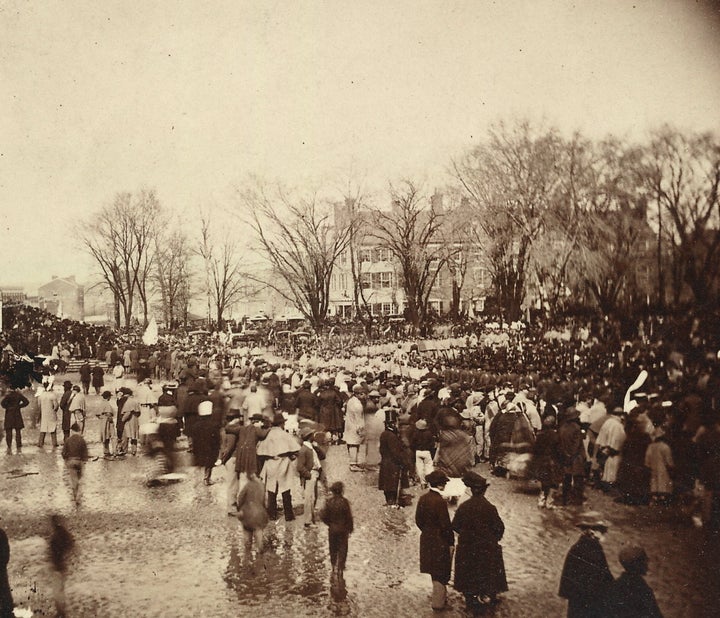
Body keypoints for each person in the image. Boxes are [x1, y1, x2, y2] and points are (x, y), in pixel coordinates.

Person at [451, 471, 508, 614]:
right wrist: (493, 539)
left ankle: (471, 602)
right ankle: (488, 600)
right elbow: (500, 528)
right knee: (487, 575)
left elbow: (455, 526)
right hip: (487, 549)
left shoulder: (464, 507)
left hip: (467, 549)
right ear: (484, 490)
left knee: (469, 578)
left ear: (471, 489)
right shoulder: (490, 507)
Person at [558, 511, 614, 617]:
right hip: (589, 604)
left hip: (577, 603)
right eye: (601, 530)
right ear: (591, 532)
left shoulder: (577, 548)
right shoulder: (593, 550)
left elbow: (566, 580)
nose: (604, 533)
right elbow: (603, 577)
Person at [415, 470, 454, 611]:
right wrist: (451, 542)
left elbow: (418, 520)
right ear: (441, 485)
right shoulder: (440, 502)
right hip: (440, 541)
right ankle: (438, 604)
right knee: (442, 572)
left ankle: (439, 599)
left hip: (426, 539)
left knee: (433, 569)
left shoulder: (423, 498)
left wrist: (427, 531)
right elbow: (446, 526)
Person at [256, 413, 300, 521]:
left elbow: (260, 452)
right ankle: (289, 514)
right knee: (285, 489)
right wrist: (291, 456)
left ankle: (272, 514)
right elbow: (295, 449)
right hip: (283, 462)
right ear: (281, 423)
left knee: (271, 489)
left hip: (270, 462)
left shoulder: (268, 434)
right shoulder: (284, 434)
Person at [605, 545, 663, 617]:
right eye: (644, 560)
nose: (647, 562)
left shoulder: (616, 585)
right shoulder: (641, 588)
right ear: (637, 564)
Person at [319, 481, 354, 581]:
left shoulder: (329, 502)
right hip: (343, 530)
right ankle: (341, 568)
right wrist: (350, 528)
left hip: (333, 529)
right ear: (342, 491)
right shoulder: (345, 502)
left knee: (333, 548)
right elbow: (349, 517)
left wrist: (329, 524)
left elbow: (323, 516)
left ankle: (334, 565)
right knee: (343, 548)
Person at [378, 411, 412, 506]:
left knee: (387, 485)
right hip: (393, 464)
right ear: (392, 423)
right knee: (393, 484)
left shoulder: (384, 434)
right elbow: (396, 453)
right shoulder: (392, 436)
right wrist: (403, 462)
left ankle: (390, 501)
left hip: (385, 462)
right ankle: (392, 502)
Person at [236, 472, 269, 555]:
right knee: (258, 532)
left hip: (248, 514)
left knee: (247, 534)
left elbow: (240, 498)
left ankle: (248, 554)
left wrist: (240, 509)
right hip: (260, 514)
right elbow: (265, 501)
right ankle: (260, 552)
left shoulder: (248, 485)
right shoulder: (262, 485)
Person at [48, 514, 74, 618]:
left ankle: (61, 613)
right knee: (61, 590)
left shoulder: (55, 536)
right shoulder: (64, 533)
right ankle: (62, 612)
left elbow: (53, 553)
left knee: (57, 591)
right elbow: (71, 544)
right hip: (63, 566)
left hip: (57, 566)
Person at [296, 425, 322, 527]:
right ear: (309, 436)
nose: (314, 436)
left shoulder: (310, 447)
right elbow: (299, 467)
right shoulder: (304, 450)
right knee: (309, 499)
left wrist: (316, 446)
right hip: (310, 475)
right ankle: (308, 521)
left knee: (313, 497)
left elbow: (322, 455)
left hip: (314, 474)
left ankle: (311, 519)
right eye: (312, 434)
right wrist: (309, 475)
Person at [192, 400, 221, 485]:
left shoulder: (196, 425)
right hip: (210, 447)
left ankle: (198, 478)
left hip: (199, 446)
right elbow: (217, 438)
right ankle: (207, 478)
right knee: (209, 463)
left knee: (201, 463)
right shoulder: (214, 424)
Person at [61, 422, 89, 507]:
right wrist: (84, 461)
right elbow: (85, 453)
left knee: (73, 480)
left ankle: (75, 495)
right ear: (79, 430)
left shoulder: (68, 440)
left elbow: (63, 452)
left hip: (71, 461)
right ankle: (78, 496)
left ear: (72, 430)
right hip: (79, 461)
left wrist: (66, 460)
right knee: (79, 479)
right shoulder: (82, 440)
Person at [1, 386, 29, 454]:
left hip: (9, 415)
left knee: (9, 432)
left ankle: (9, 447)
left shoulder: (8, 396)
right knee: (18, 431)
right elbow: (26, 402)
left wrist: (8, 407)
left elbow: (2, 404)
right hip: (17, 414)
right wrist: (19, 406)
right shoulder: (18, 395)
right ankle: (18, 447)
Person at [37, 381, 60, 448]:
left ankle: (40, 443)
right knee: (52, 429)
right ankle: (54, 443)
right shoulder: (52, 395)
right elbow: (56, 406)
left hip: (43, 414)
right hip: (51, 414)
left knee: (43, 429)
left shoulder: (41, 396)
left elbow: (39, 407)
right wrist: (55, 411)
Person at [0, 526, 13, 618]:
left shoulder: (1, 533)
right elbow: (6, 552)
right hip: (1, 569)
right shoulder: (1, 533)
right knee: (4, 592)